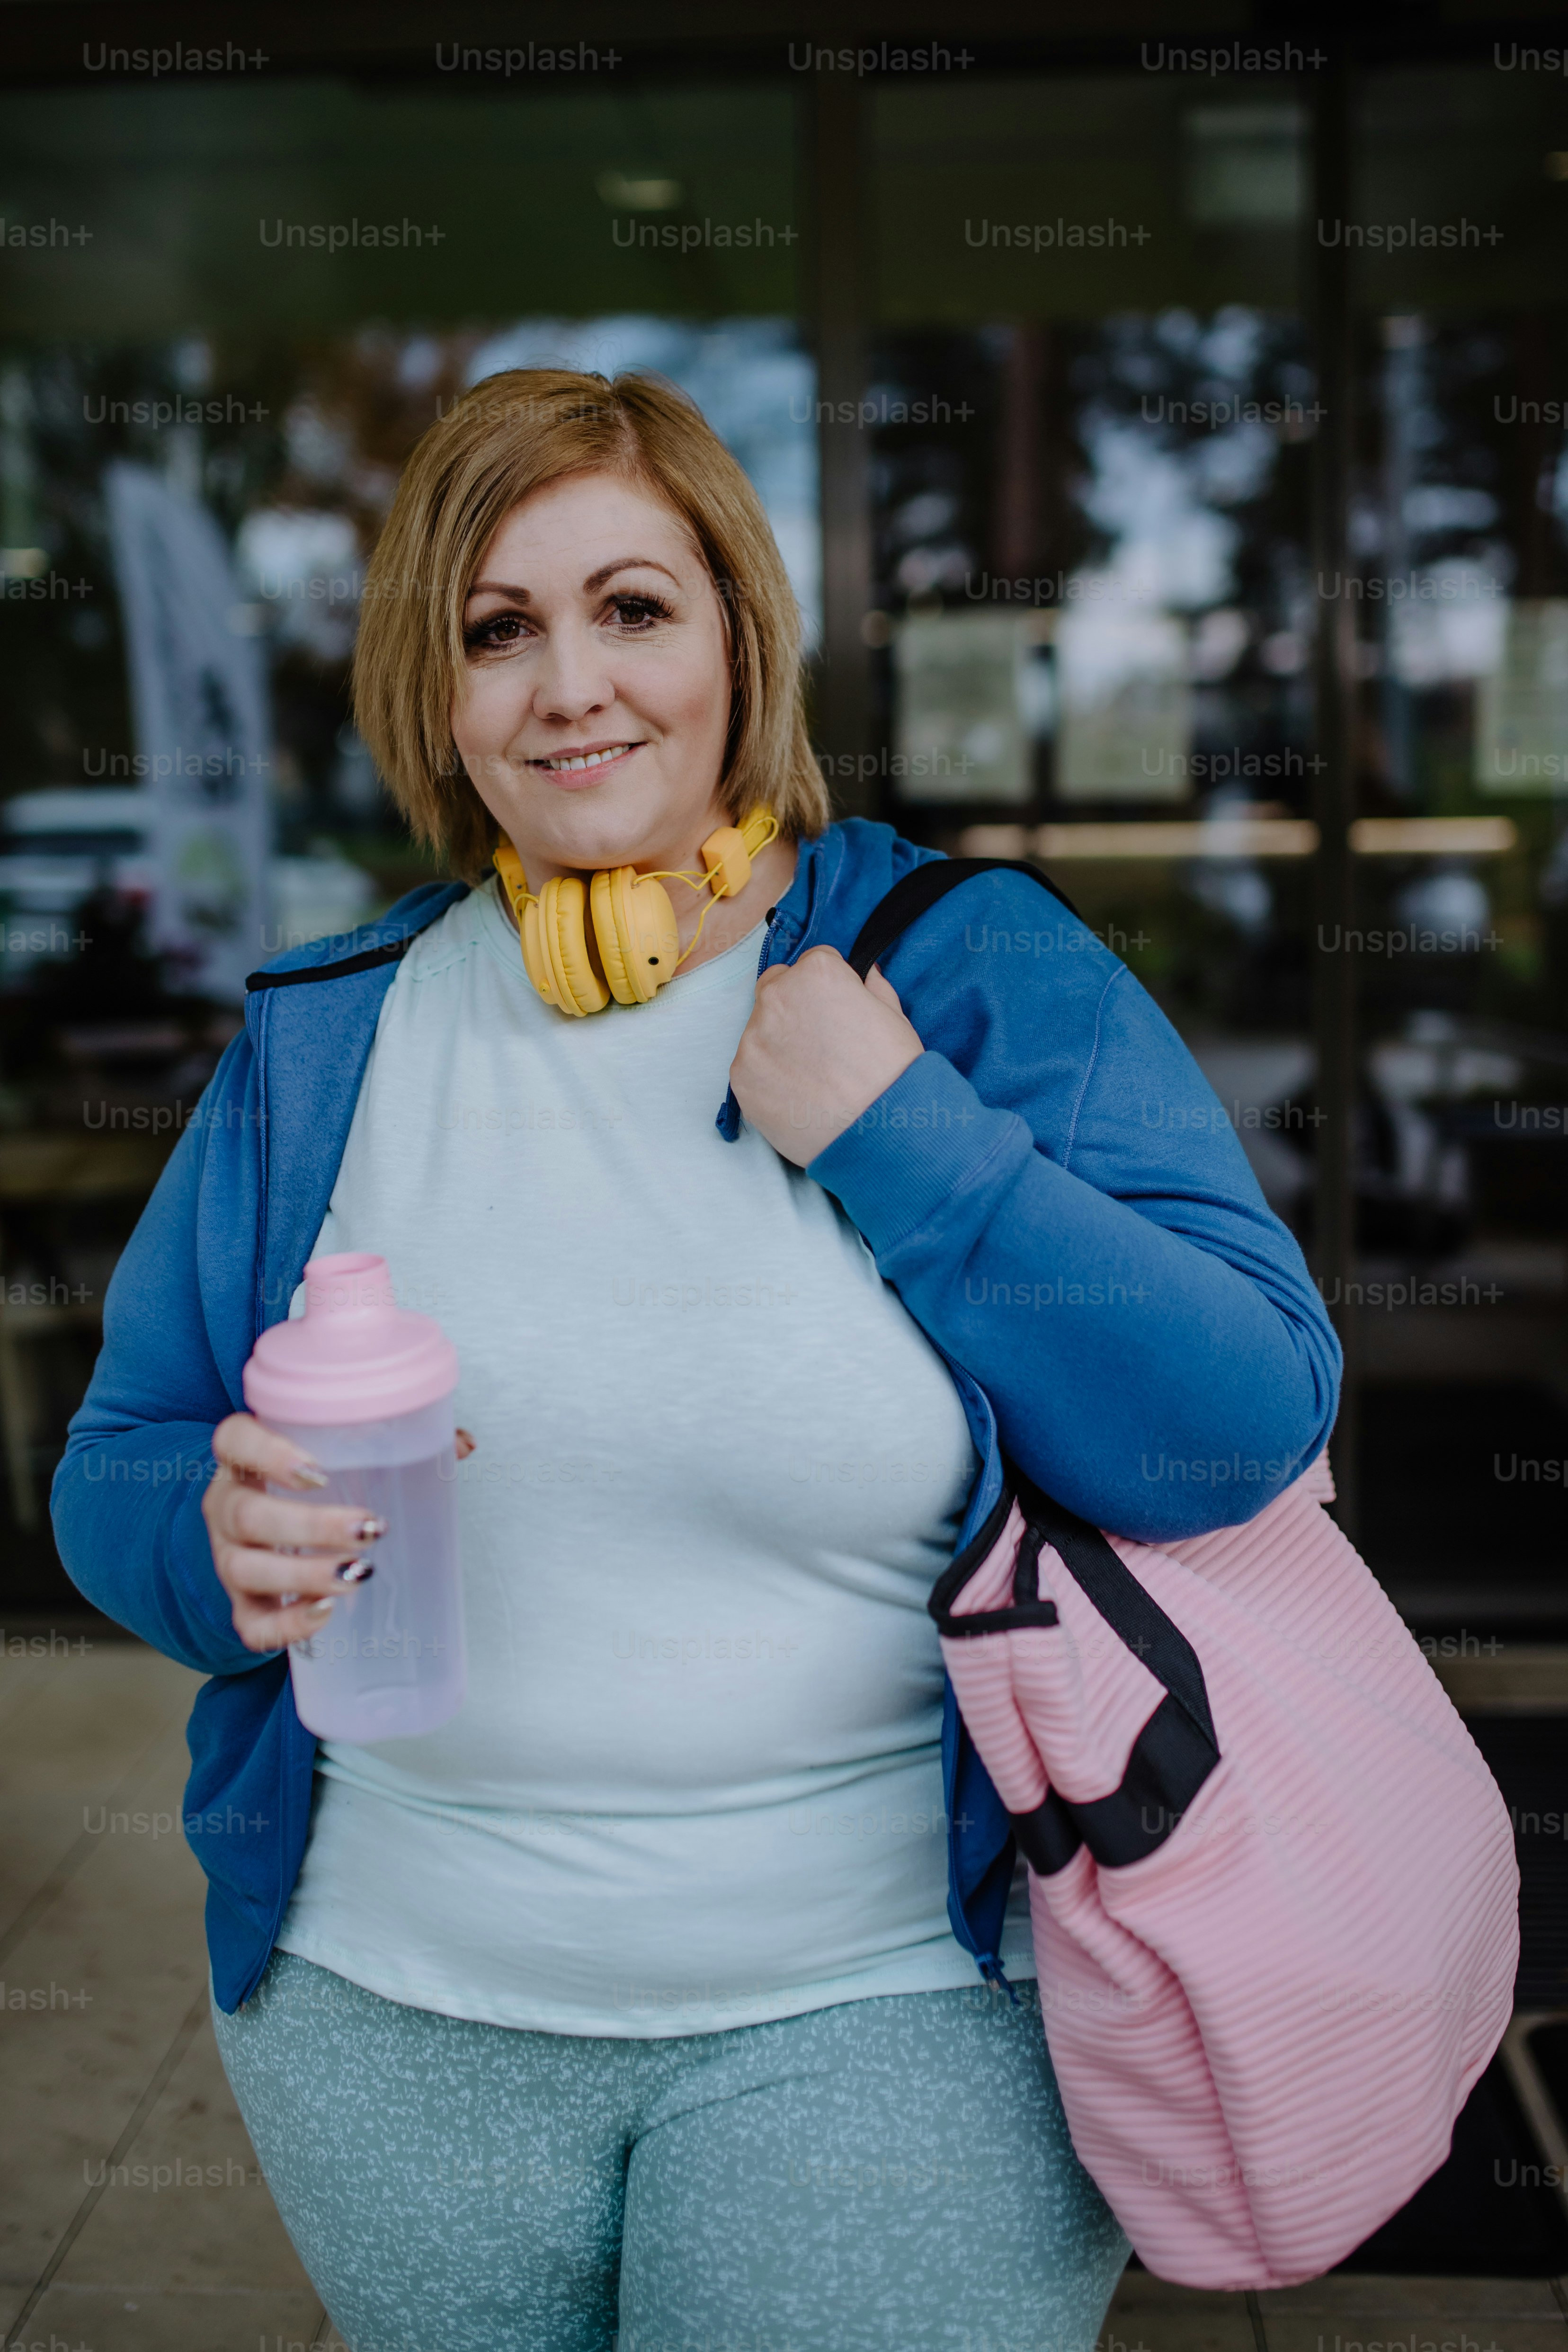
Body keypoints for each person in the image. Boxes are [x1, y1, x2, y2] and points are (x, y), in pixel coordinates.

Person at [54, 369, 1341, 2352]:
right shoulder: (331, 1036)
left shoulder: (963, 970)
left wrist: (904, 1135)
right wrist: (198, 1545)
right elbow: (122, 1453)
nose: (572, 684)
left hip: (890, 2021)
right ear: (437, 689)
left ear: (741, 636)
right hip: (387, 2022)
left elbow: (1244, 1427)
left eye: (635, 608)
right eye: (501, 629)